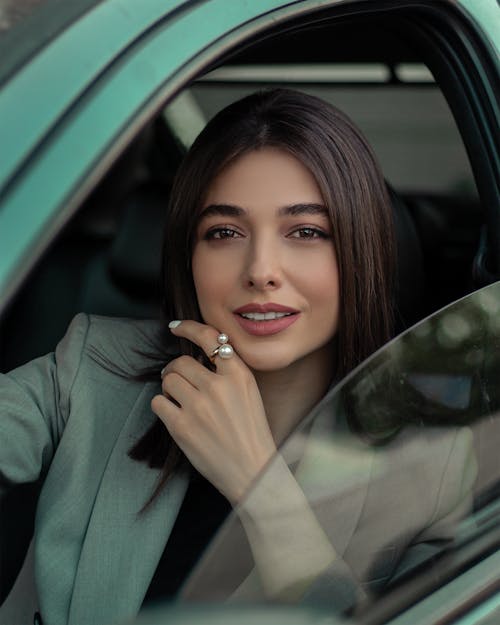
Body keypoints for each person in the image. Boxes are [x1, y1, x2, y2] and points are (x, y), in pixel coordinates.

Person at [0, 89, 475, 625]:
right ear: (189, 255)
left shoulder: (431, 470)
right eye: (224, 232)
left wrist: (257, 481)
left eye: (306, 232)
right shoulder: (92, 367)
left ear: (359, 250)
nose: (261, 270)